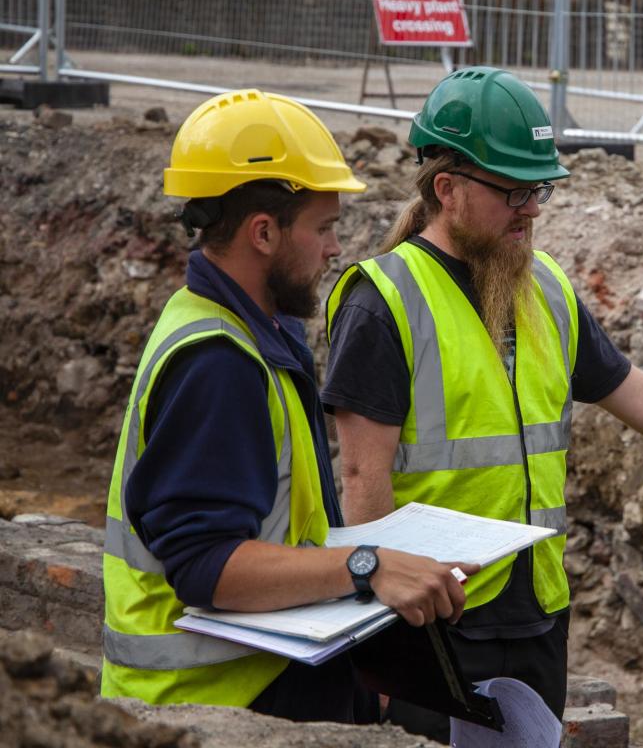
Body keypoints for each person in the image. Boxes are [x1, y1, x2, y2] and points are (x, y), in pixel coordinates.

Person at [321, 66, 643, 739]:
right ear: (447, 188)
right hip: (435, 622)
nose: (534, 209)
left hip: (537, 612)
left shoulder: (540, 285)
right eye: (514, 190)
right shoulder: (383, 301)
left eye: (539, 189)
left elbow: (636, 392)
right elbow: (362, 481)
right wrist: (378, 633)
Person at [100, 88, 478, 722]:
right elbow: (205, 566)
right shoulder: (218, 363)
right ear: (265, 232)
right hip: (216, 700)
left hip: (262, 668)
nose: (336, 249)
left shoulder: (238, 327)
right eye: (324, 228)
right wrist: (367, 566)